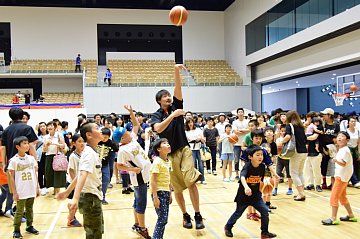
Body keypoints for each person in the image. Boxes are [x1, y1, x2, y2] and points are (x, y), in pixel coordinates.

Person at [151, 64, 205, 230]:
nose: (168, 97)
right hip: (169, 155)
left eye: (169, 95)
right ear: (160, 101)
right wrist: (173, 116)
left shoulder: (177, 105)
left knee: (191, 182)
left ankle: (197, 214)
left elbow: (178, 86)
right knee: (179, 189)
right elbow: (158, 129)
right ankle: (185, 215)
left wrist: (176, 70)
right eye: (165, 96)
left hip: (184, 149)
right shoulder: (156, 115)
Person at [224, 145, 277, 238]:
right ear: (250, 157)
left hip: (255, 196)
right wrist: (246, 187)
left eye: (261, 155)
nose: (260, 157)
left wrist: (272, 177)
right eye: (257, 155)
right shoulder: (247, 166)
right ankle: (228, 226)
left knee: (265, 211)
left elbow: (261, 181)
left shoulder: (262, 167)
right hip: (243, 196)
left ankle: (264, 232)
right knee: (238, 213)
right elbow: (243, 177)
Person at [115, 105, 152, 239]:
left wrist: (131, 113)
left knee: (137, 201)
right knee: (141, 203)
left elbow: (136, 125)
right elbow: (119, 166)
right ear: (122, 139)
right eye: (125, 134)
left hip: (144, 175)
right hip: (139, 177)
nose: (129, 133)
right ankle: (142, 228)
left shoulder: (132, 139)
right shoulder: (123, 150)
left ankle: (137, 224)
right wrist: (132, 169)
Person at [64, 122, 104, 239]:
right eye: (97, 128)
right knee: (94, 233)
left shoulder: (89, 152)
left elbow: (80, 174)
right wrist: (75, 198)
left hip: (93, 196)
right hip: (90, 198)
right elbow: (82, 174)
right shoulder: (89, 154)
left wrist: (67, 192)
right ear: (89, 135)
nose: (101, 130)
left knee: (96, 231)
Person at [1, 107, 38, 218]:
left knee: (14, 189)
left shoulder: (7, 129)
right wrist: (35, 161)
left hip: (11, 164)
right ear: (22, 116)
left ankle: (15, 211)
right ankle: (19, 212)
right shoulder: (27, 128)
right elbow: (32, 145)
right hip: (25, 163)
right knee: (25, 188)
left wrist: (4, 163)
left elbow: (3, 147)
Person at [321, 132, 358, 225]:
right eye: (338, 136)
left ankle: (333, 218)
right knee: (342, 197)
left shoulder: (345, 150)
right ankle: (351, 215)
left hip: (341, 177)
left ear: (347, 140)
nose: (339, 138)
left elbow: (343, 163)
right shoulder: (342, 149)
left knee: (334, 197)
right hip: (343, 176)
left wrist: (335, 160)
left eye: (342, 136)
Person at [8, 136, 40, 239]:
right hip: (21, 190)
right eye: (24, 144)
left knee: (30, 209)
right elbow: (11, 178)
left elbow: (35, 173)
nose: (27, 145)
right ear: (18, 146)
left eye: (27, 143)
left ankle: (29, 226)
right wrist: (14, 192)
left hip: (31, 188)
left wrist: (37, 187)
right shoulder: (13, 161)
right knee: (19, 211)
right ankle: (16, 230)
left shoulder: (31, 159)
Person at [279, 111, 307, 201]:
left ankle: (301, 193)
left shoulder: (289, 125)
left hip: (296, 151)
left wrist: (280, 142)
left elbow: (288, 136)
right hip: (304, 152)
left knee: (293, 173)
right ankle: (302, 192)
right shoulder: (301, 126)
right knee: (300, 172)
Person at [150, 138, 173, 239]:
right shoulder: (157, 162)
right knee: (162, 219)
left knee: (164, 219)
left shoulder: (168, 161)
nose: (168, 144)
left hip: (166, 192)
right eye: (164, 143)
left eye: (168, 143)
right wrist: (155, 197)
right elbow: (153, 180)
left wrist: (170, 193)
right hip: (159, 193)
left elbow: (168, 178)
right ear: (159, 149)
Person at [43, 121, 67, 196]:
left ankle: (57, 192)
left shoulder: (59, 135)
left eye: (51, 126)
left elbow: (63, 146)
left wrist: (55, 144)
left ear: (55, 127)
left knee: (57, 173)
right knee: (48, 174)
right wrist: (46, 145)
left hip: (57, 156)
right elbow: (44, 150)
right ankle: (54, 189)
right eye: (48, 126)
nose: (49, 127)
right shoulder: (45, 137)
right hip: (48, 156)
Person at [65, 134, 84, 227]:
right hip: (73, 183)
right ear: (74, 143)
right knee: (74, 203)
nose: (82, 143)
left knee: (76, 202)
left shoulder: (84, 154)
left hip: (80, 182)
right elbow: (71, 170)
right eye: (79, 141)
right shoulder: (73, 156)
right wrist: (76, 185)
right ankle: (71, 219)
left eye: (83, 141)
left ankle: (71, 217)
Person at [97, 127, 119, 205]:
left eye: (106, 137)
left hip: (105, 164)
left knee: (106, 181)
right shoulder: (96, 141)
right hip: (95, 165)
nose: (104, 138)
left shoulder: (112, 143)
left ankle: (102, 197)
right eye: (102, 136)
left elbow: (117, 151)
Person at [185, 118, 206, 184]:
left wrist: (200, 139)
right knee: (193, 165)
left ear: (194, 123)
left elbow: (203, 139)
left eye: (191, 122)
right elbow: (188, 139)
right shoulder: (185, 131)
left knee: (201, 165)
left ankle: (202, 179)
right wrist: (196, 139)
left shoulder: (198, 130)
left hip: (199, 148)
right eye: (189, 123)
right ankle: (194, 179)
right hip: (191, 149)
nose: (190, 124)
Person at [232, 108, 250, 179]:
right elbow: (235, 131)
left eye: (241, 112)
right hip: (237, 143)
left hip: (246, 143)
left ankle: (246, 172)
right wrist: (244, 131)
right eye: (239, 112)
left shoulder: (247, 121)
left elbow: (249, 130)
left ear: (243, 113)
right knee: (236, 159)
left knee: (246, 159)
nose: (240, 113)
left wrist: (240, 130)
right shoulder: (235, 122)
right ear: (237, 114)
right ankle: (236, 173)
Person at [35, 122, 48, 196]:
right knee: (40, 171)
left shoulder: (49, 136)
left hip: (47, 154)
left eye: (44, 126)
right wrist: (36, 129)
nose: (42, 127)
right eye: (41, 126)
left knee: (46, 170)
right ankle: (41, 186)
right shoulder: (37, 136)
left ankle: (46, 186)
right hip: (39, 155)